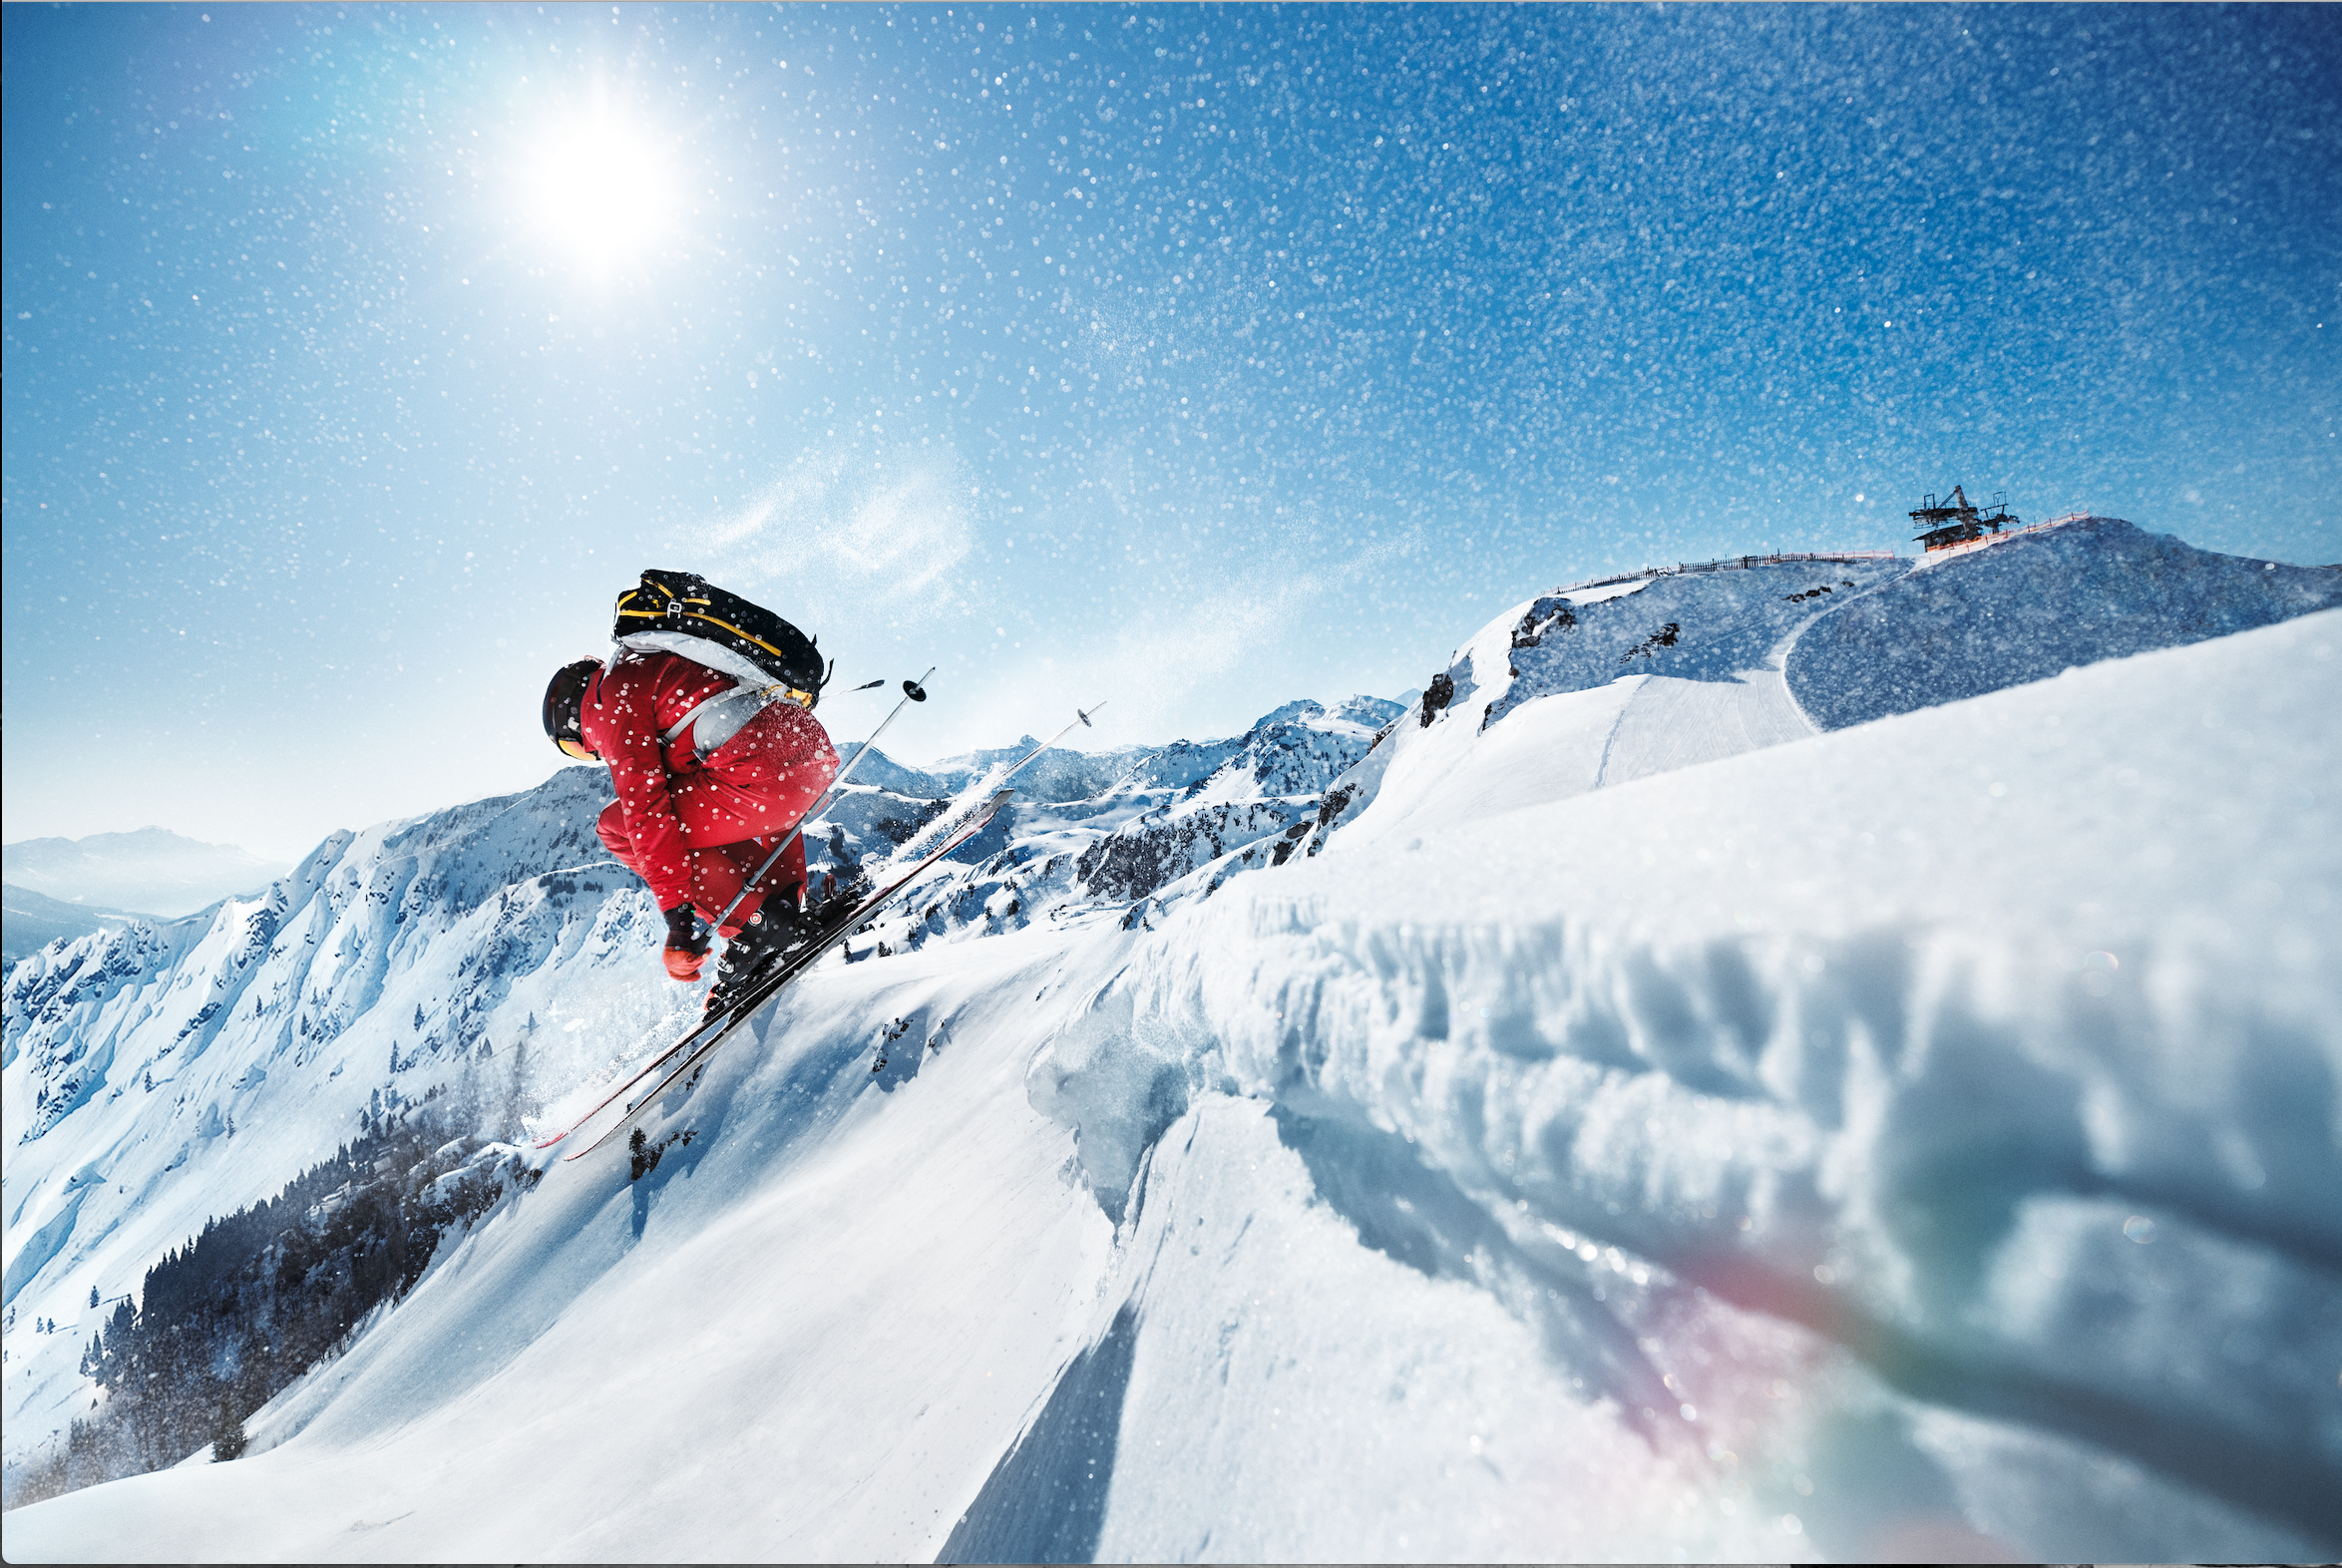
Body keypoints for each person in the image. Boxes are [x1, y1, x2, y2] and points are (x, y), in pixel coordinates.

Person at [543, 644, 838, 1013]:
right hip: (812, 757)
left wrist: (679, 927)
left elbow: (646, 814)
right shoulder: (654, 664)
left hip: (763, 780)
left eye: (577, 749)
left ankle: (762, 925)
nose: (594, 754)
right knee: (708, 787)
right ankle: (781, 902)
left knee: (616, 827)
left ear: (572, 717)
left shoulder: (603, 702)